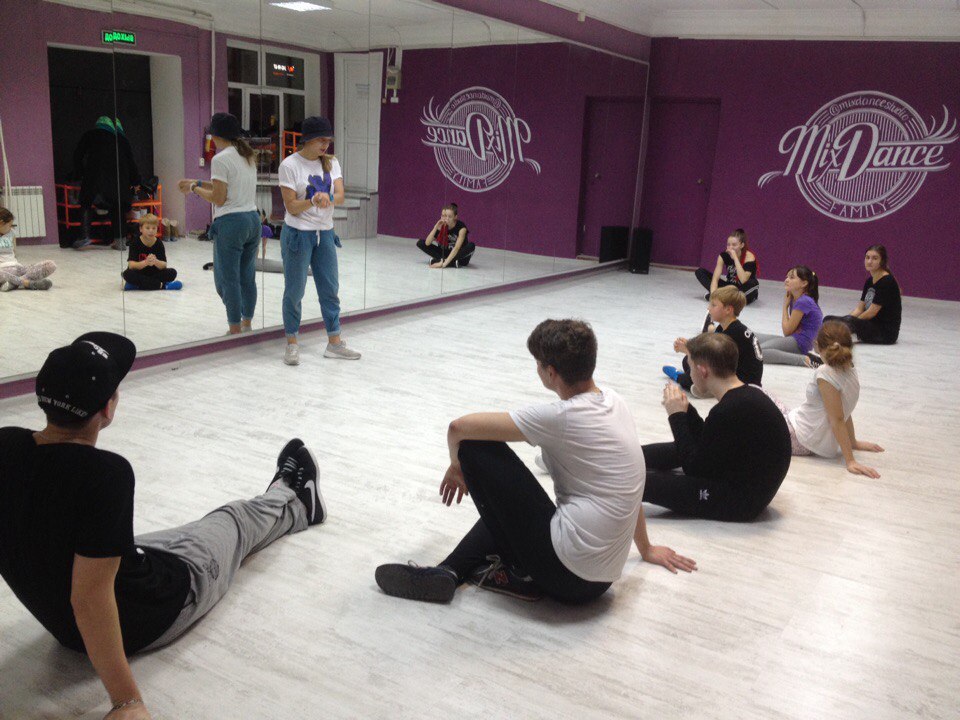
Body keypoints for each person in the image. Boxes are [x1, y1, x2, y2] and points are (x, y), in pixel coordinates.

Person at [0, 332, 327, 720]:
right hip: (155, 610)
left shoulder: (6, 445)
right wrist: (127, 701)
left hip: (67, 624)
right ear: (108, 409)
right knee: (233, 520)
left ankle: (288, 501)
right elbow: (88, 600)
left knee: (197, 529)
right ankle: (295, 500)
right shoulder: (105, 475)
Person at [375, 319, 696, 606]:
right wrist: (646, 548)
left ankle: (509, 573)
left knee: (473, 447)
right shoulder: (615, 402)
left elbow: (458, 428)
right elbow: (629, 482)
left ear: (550, 372)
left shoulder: (561, 417)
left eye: (538, 365)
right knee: (511, 505)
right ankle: (448, 572)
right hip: (602, 580)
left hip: (567, 577)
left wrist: (456, 465)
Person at [643, 333, 791, 521]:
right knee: (671, 450)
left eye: (690, 367)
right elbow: (707, 438)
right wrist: (687, 410)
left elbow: (693, 469)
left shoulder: (729, 409)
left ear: (703, 371)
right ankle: (625, 457)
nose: (689, 374)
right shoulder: (745, 395)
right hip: (744, 476)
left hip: (740, 502)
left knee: (643, 482)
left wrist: (676, 416)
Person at [277, 116, 360, 365]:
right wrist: (312, 200)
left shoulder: (331, 162)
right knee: (295, 290)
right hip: (298, 234)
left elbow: (341, 195)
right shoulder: (289, 165)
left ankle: (334, 342)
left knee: (330, 288)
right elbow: (291, 207)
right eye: (321, 140)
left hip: (325, 233)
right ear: (308, 140)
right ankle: (292, 342)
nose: (325, 145)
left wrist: (328, 198)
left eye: (328, 140)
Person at [764, 322, 884, 478]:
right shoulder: (850, 369)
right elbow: (844, 411)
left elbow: (838, 419)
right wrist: (853, 442)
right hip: (800, 423)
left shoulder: (826, 373)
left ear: (818, 346)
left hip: (800, 437)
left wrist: (850, 461)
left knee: (753, 408)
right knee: (762, 395)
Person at [179, 113, 259, 335]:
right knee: (247, 277)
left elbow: (219, 198)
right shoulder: (247, 155)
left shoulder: (220, 159)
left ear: (214, 135)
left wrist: (194, 189)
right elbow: (226, 185)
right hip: (252, 220)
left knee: (227, 280)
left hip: (232, 224)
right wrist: (197, 182)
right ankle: (246, 325)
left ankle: (234, 329)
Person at [663, 286, 763, 394]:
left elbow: (712, 361)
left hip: (744, 385)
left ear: (728, 310)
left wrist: (687, 350)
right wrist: (689, 346)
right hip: (737, 374)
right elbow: (708, 349)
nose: (708, 308)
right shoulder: (726, 327)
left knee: (692, 371)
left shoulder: (733, 333)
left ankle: (678, 376)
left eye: (713, 305)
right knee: (688, 361)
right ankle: (702, 385)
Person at [71, 117, 140, 251]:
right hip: (118, 182)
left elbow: (78, 155)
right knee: (118, 208)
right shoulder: (121, 140)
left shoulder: (90, 135)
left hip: (95, 178)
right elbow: (131, 162)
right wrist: (135, 181)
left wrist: (79, 173)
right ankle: (120, 241)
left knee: (86, 203)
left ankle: (84, 236)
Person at [823, 245, 902, 345]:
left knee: (847, 323)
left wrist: (851, 323)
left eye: (874, 258)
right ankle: (837, 335)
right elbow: (859, 309)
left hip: (884, 333)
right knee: (828, 320)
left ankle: (837, 337)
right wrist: (845, 320)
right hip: (869, 325)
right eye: (867, 257)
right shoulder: (869, 281)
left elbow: (872, 312)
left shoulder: (887, 281)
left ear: (882, 261)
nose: (869, 261)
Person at [755, 265, 823, 367]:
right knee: (753, 337)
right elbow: (789, 333)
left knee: (757, 352)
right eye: (787, 277)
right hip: (794, 338)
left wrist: (785, 307)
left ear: (804, 283)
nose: (786, 280)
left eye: (791, 277)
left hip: (801, 343)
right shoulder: (795, 298)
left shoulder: (804, 301)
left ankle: (805, 360)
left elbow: (787, 331)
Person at [695, 229, 759, 304]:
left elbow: (743, 279)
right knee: (700, 272)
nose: (730, 247)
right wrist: (713, 294)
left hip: (745, 287)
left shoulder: (749, 256)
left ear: (742, 245)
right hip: (730, 286)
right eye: (728, 245)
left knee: (746, 291)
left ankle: (723, 298)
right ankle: (721, 297)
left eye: (734, 245)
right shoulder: (723, 256)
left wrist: (735, 258)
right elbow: (715, 279)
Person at [0, 207, 56, 291]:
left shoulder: (12, 233)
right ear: (1, 223)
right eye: (9, 225)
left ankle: (13, 283)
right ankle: (29, 284)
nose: (11, 227)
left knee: (50, 265)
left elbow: (14, 252)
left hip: (17, 267)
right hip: (2, 270)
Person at [121, 214, 181, 291]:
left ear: (157, 229)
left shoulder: (159, 243)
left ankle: (137, 285)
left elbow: (164, 265)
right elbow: (131, 265)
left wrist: (155, 262)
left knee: (172, 272)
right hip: (140, 272)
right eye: (147, 228)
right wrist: (145, 263)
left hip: (154, 273)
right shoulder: (135, 242)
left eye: (154, 228)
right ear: (141, 229)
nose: (151, 231)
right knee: (127, 274)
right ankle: (162, 285)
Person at [416, 203, 476, 269]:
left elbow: (456, 248)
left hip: (459, 255)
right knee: (420, 243)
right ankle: (453, 263)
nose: (446, 218)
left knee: (471, 245)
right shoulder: (441, 226)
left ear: (455, 217)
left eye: (449, 216)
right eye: (444, 216)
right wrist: (436, 227)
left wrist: (443, 264)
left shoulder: (461, 228)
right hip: (445, 252)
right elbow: (427, 243)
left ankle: (442, 261)